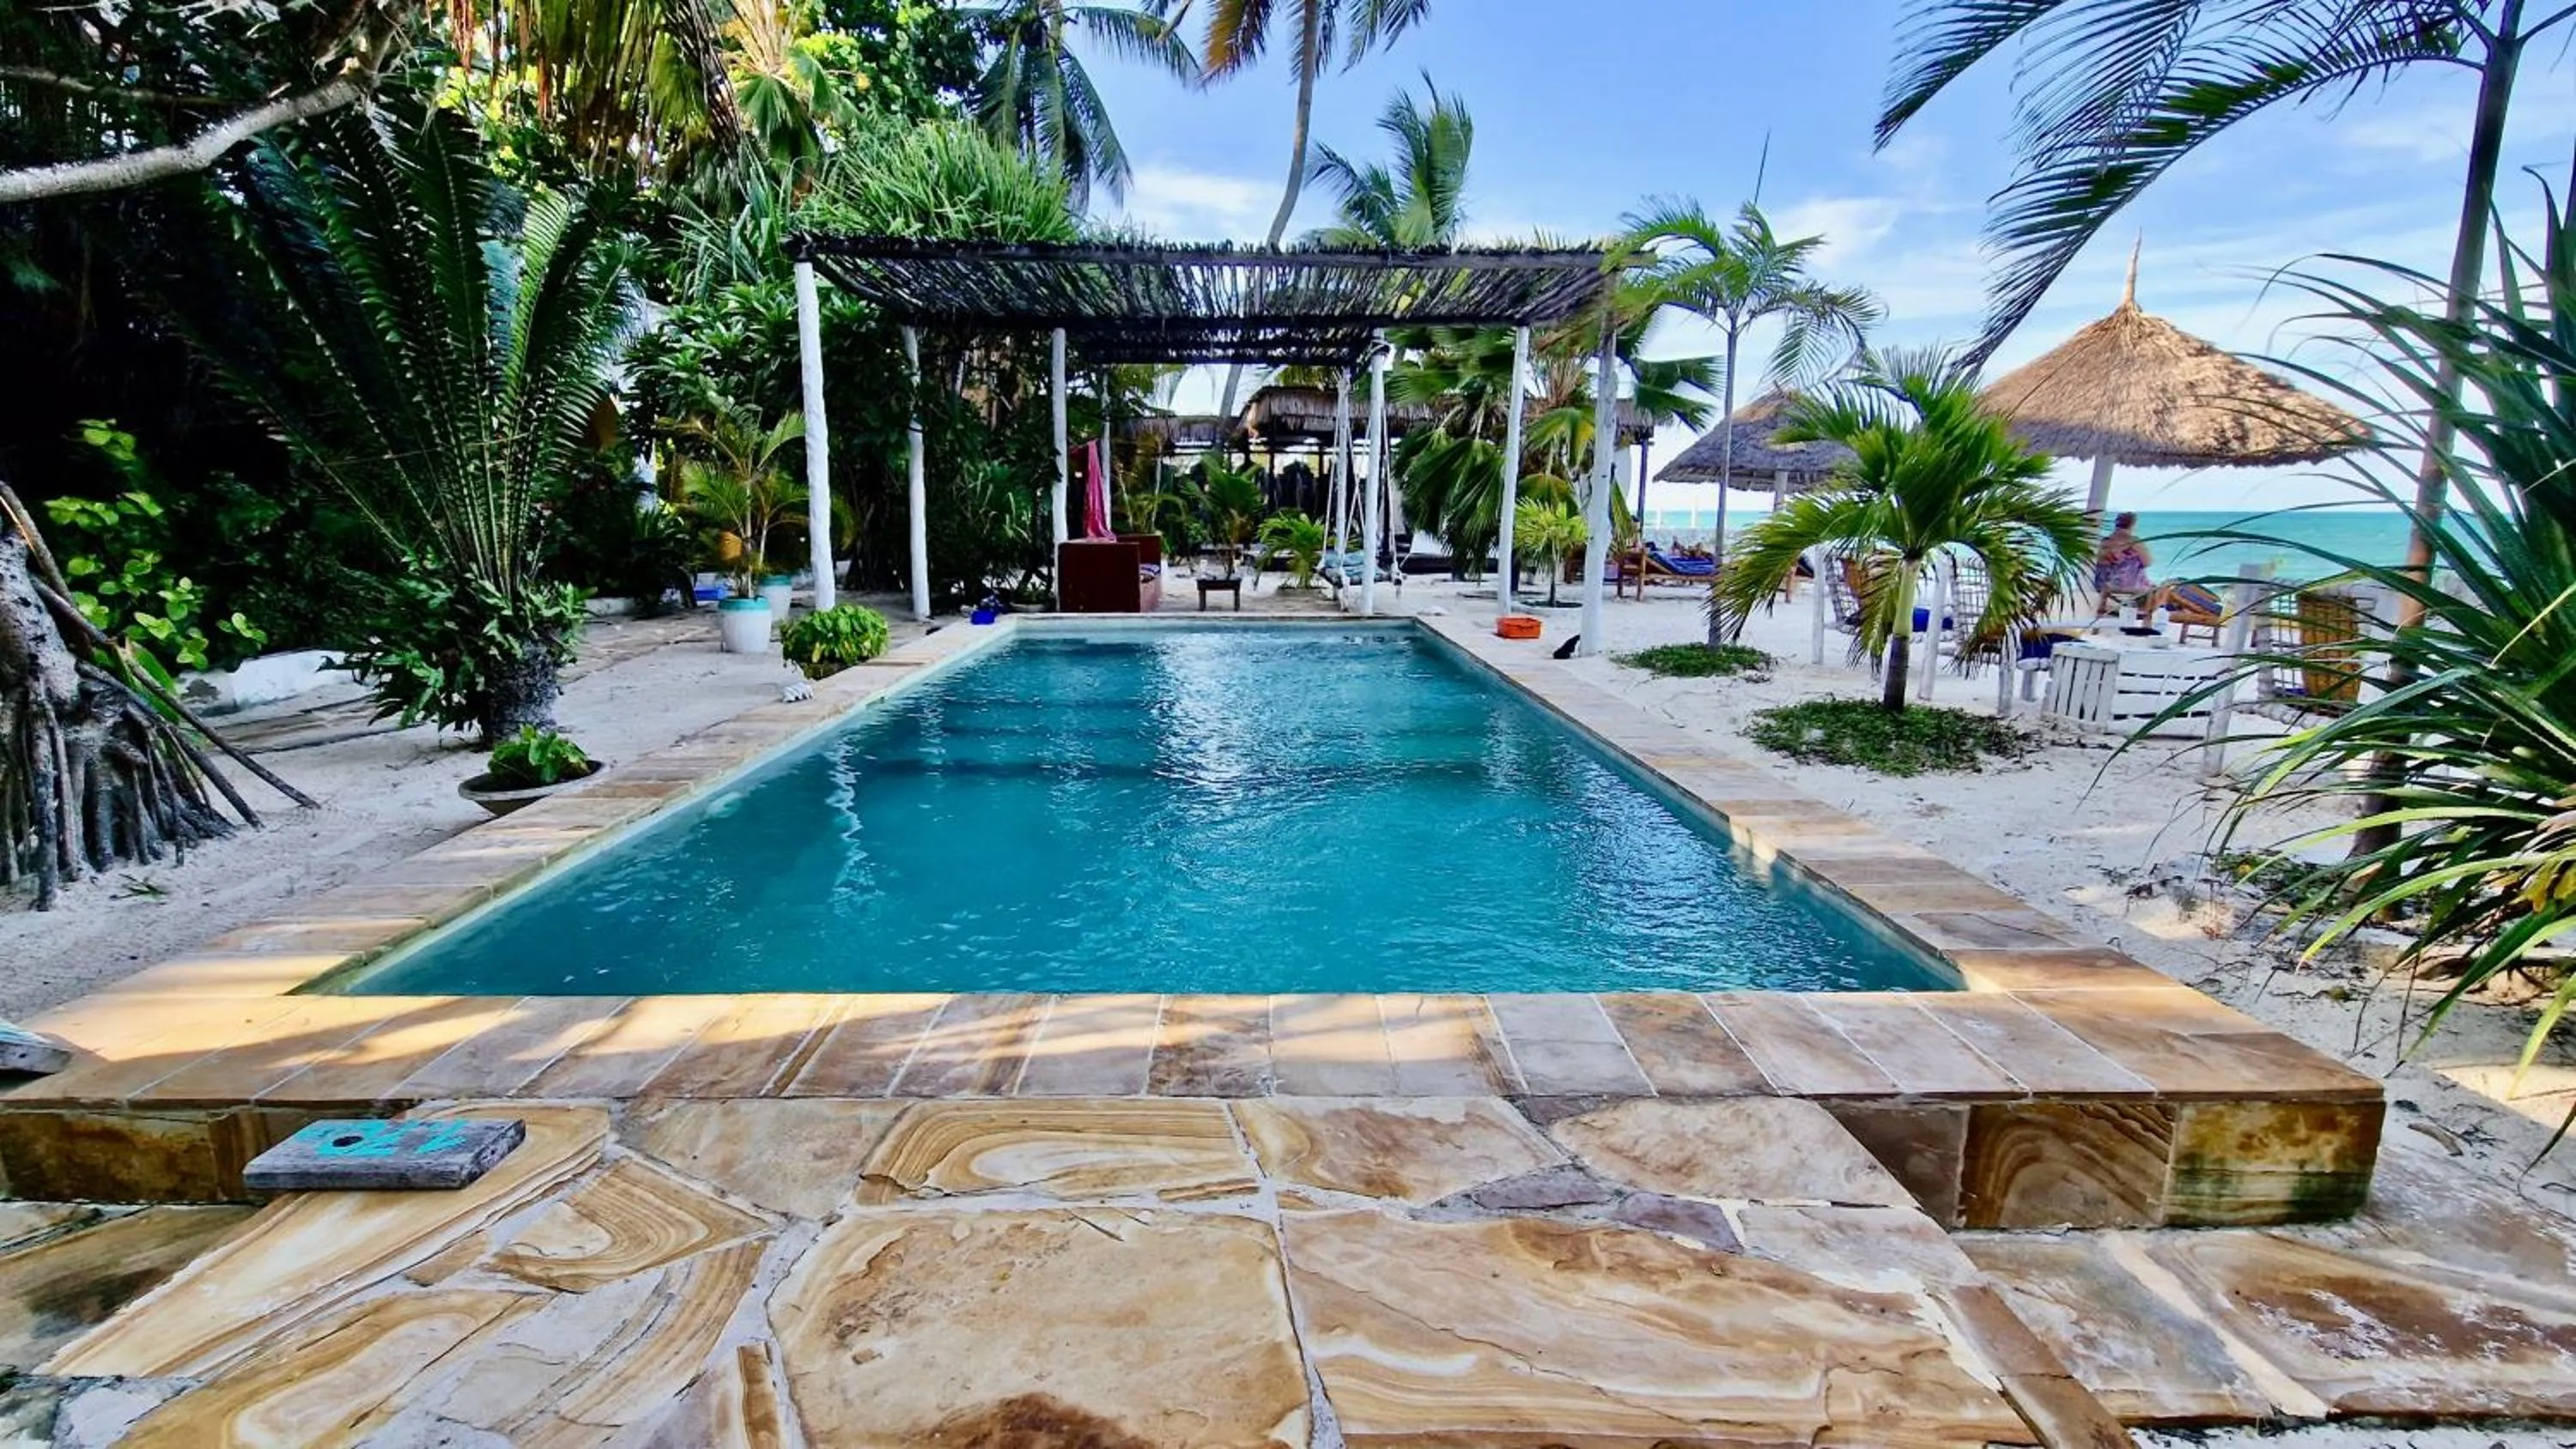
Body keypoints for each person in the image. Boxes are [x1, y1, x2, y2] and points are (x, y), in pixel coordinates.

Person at [2095, 512, 2154, 596]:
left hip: (2101, 585)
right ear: (2133, 525)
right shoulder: (2134, 541)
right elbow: (2148, 562)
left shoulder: (2104, 542)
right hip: (2127, 587)